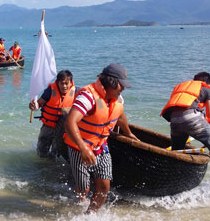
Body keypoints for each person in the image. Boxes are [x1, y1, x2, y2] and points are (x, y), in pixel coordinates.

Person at [64, 64, 139, 213]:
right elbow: (70, 122)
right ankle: (79, 197)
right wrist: (83, 148)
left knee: (104, 186)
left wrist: (128, 133)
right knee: (84, 189)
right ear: (111, 83)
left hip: (101, 146)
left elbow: (119, 114)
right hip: (79, 147)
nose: (123, 89)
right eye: (121, 85)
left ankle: (90, 215)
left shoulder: (118, 98)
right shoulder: (88, 96)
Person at [160, 72, 210, 200]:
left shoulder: (182, 88)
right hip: (192, 118)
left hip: (174, 120)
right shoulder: (206, 89)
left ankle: (170, 186)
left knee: (176, 152)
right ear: (206, 82)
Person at [29, 70, 76, 158]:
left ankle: (52, 168)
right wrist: (33, 106)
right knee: (41, 150)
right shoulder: (50, 91)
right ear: (57, 82)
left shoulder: (76, 91)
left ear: (71, 83)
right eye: (62, 83)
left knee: (56, 152)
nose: (64, 86)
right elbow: (38, 104)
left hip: (63, 129)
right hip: (48, 127)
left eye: (67, 83)